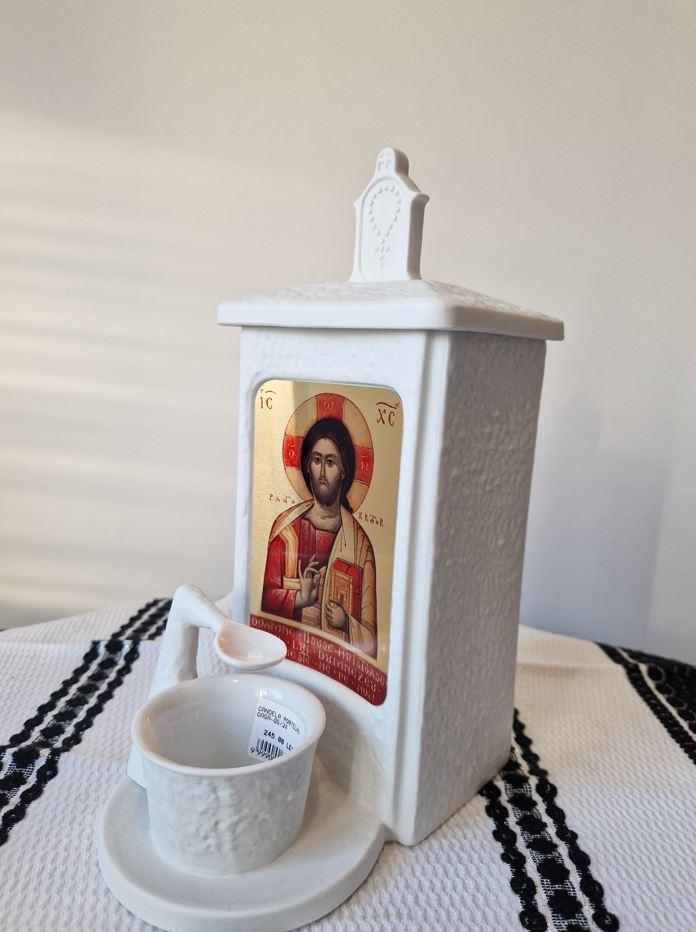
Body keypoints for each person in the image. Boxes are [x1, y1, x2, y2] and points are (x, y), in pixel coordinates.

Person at [261, 417, 377, 657]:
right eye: (317, 461)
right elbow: (265, 600)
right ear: (307, 466)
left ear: (344, 470)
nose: (322, 473)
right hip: (288, 655)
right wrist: (299, 598)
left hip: (337, 660)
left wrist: (346, 623)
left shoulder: (360, 547)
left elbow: (372, 638)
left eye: (330, 462)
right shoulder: (285, 532)